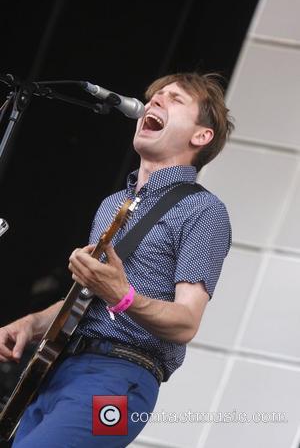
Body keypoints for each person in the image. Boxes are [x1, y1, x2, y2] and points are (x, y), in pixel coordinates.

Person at [0, 71, 234, 447]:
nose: (155, 101)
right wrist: (31, 323)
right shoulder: (113, 204)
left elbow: (186, 322)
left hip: (123, 379)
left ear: (201, 135)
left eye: (174, 100)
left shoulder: (203, 210)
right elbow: (87, 299)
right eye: (155, 95)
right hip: (59, 371)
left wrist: (122, 295)